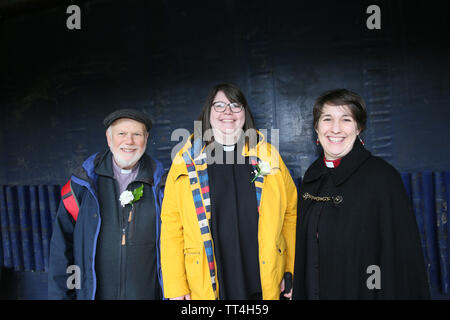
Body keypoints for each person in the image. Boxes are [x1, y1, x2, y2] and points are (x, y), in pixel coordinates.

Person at [160, 83, 297, 300]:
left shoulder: (268, 156)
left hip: (263, 278)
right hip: (209, 280)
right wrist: (176, 286)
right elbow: (171, 227)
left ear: (245, 113)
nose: (228, 112)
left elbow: (291, 214)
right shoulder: (185, 162)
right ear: (208, 112)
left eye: (235, 105)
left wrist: (290, 270)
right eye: (220, 105)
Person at [292, 89, 430, 299]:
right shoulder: (313, 176)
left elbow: (399, 259)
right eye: (327, 119)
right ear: (316, 128)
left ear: (359, 127)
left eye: (346, 119)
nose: (335, 128)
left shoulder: (382, 177)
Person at [48, 109, 166, 300]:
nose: (129, 141)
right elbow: (61, 250)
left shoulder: (163, 187)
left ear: (146, 138)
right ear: (109, 138)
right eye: (122, 134)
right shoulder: (81, 186)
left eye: (137, 134)